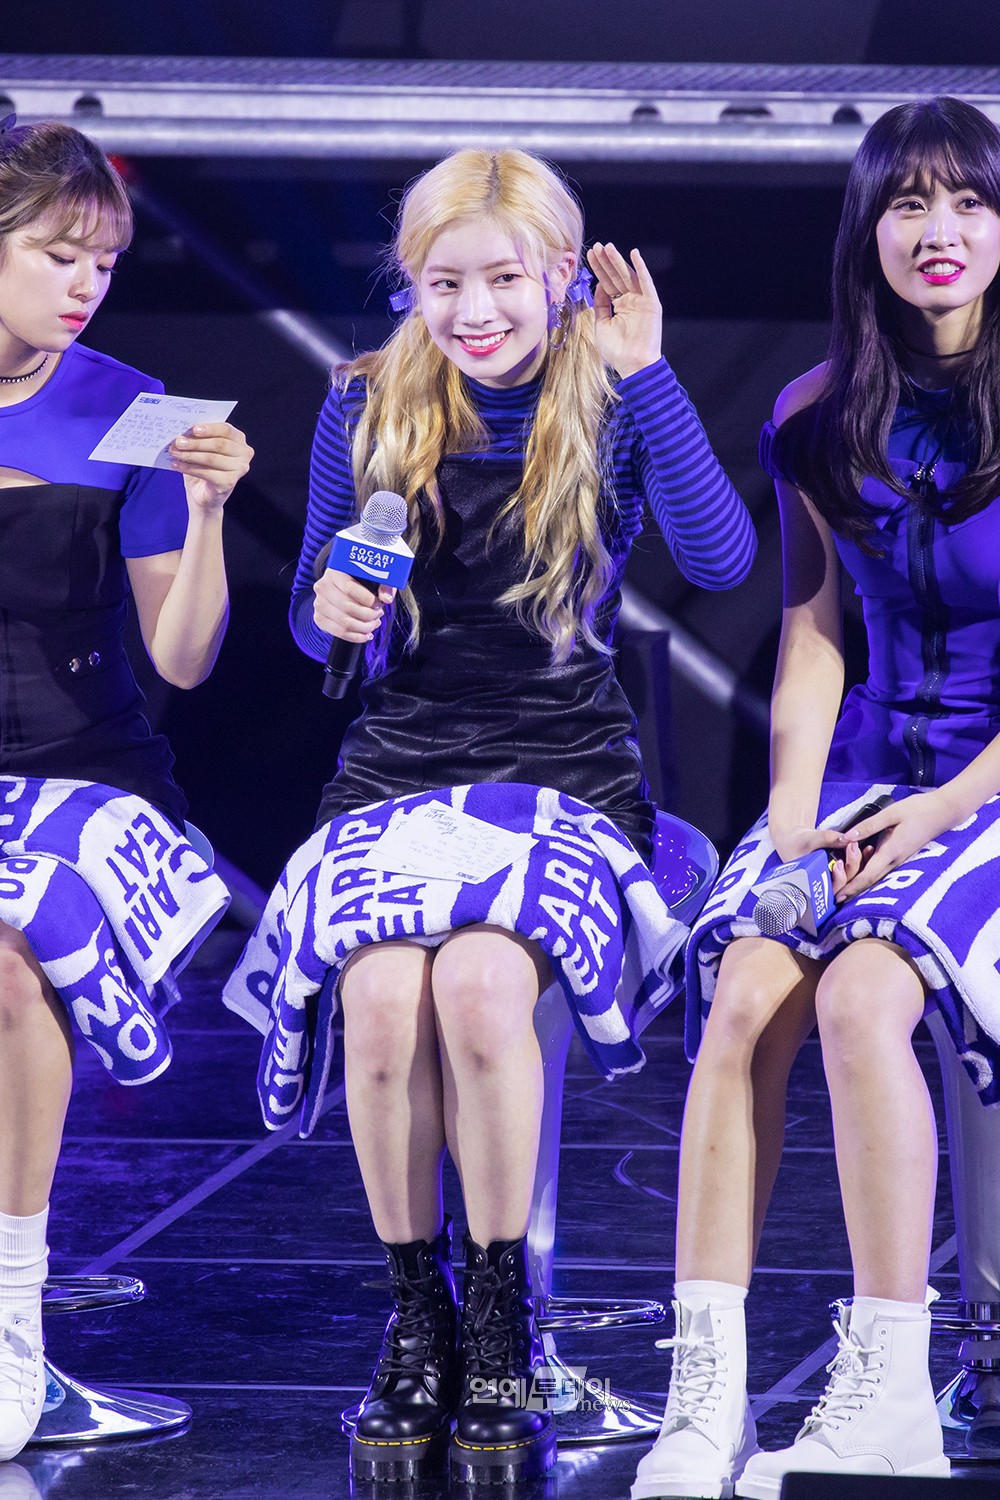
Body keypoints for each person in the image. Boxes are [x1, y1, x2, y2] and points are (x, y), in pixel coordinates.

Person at [224, 145, 754, 1486]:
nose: (475, 311)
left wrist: (650, 372)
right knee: (380, 998)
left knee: (475, 986)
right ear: (410, 283)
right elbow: (321, 634)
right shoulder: (366, 407)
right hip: (398, 766)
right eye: (444, 282)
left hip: (563, 769)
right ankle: (420, 1317)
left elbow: (722, 559)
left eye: (504, 280)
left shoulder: (610, 399)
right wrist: (327, 610)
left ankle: (505, 1316)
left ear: (561, 276)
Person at [631, 94, 1000, 1500]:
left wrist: (942, 813)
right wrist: (793, 809)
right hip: (861, 775)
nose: (939, 230)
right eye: (908, 203)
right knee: (741, 991)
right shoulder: (812, 413)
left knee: (861, 997)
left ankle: (892, 1388)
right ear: (868, 233)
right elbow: (812, 631)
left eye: (968, 200)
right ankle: (703, 1400)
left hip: (985, 785)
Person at [0, 118, 252, 1459]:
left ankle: (11, 1334)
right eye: (58, 254)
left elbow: (186, 660)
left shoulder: (133, 405)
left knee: (12, 947)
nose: (86, 284)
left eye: (103, 260)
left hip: (88, 779)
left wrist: (204, 516)